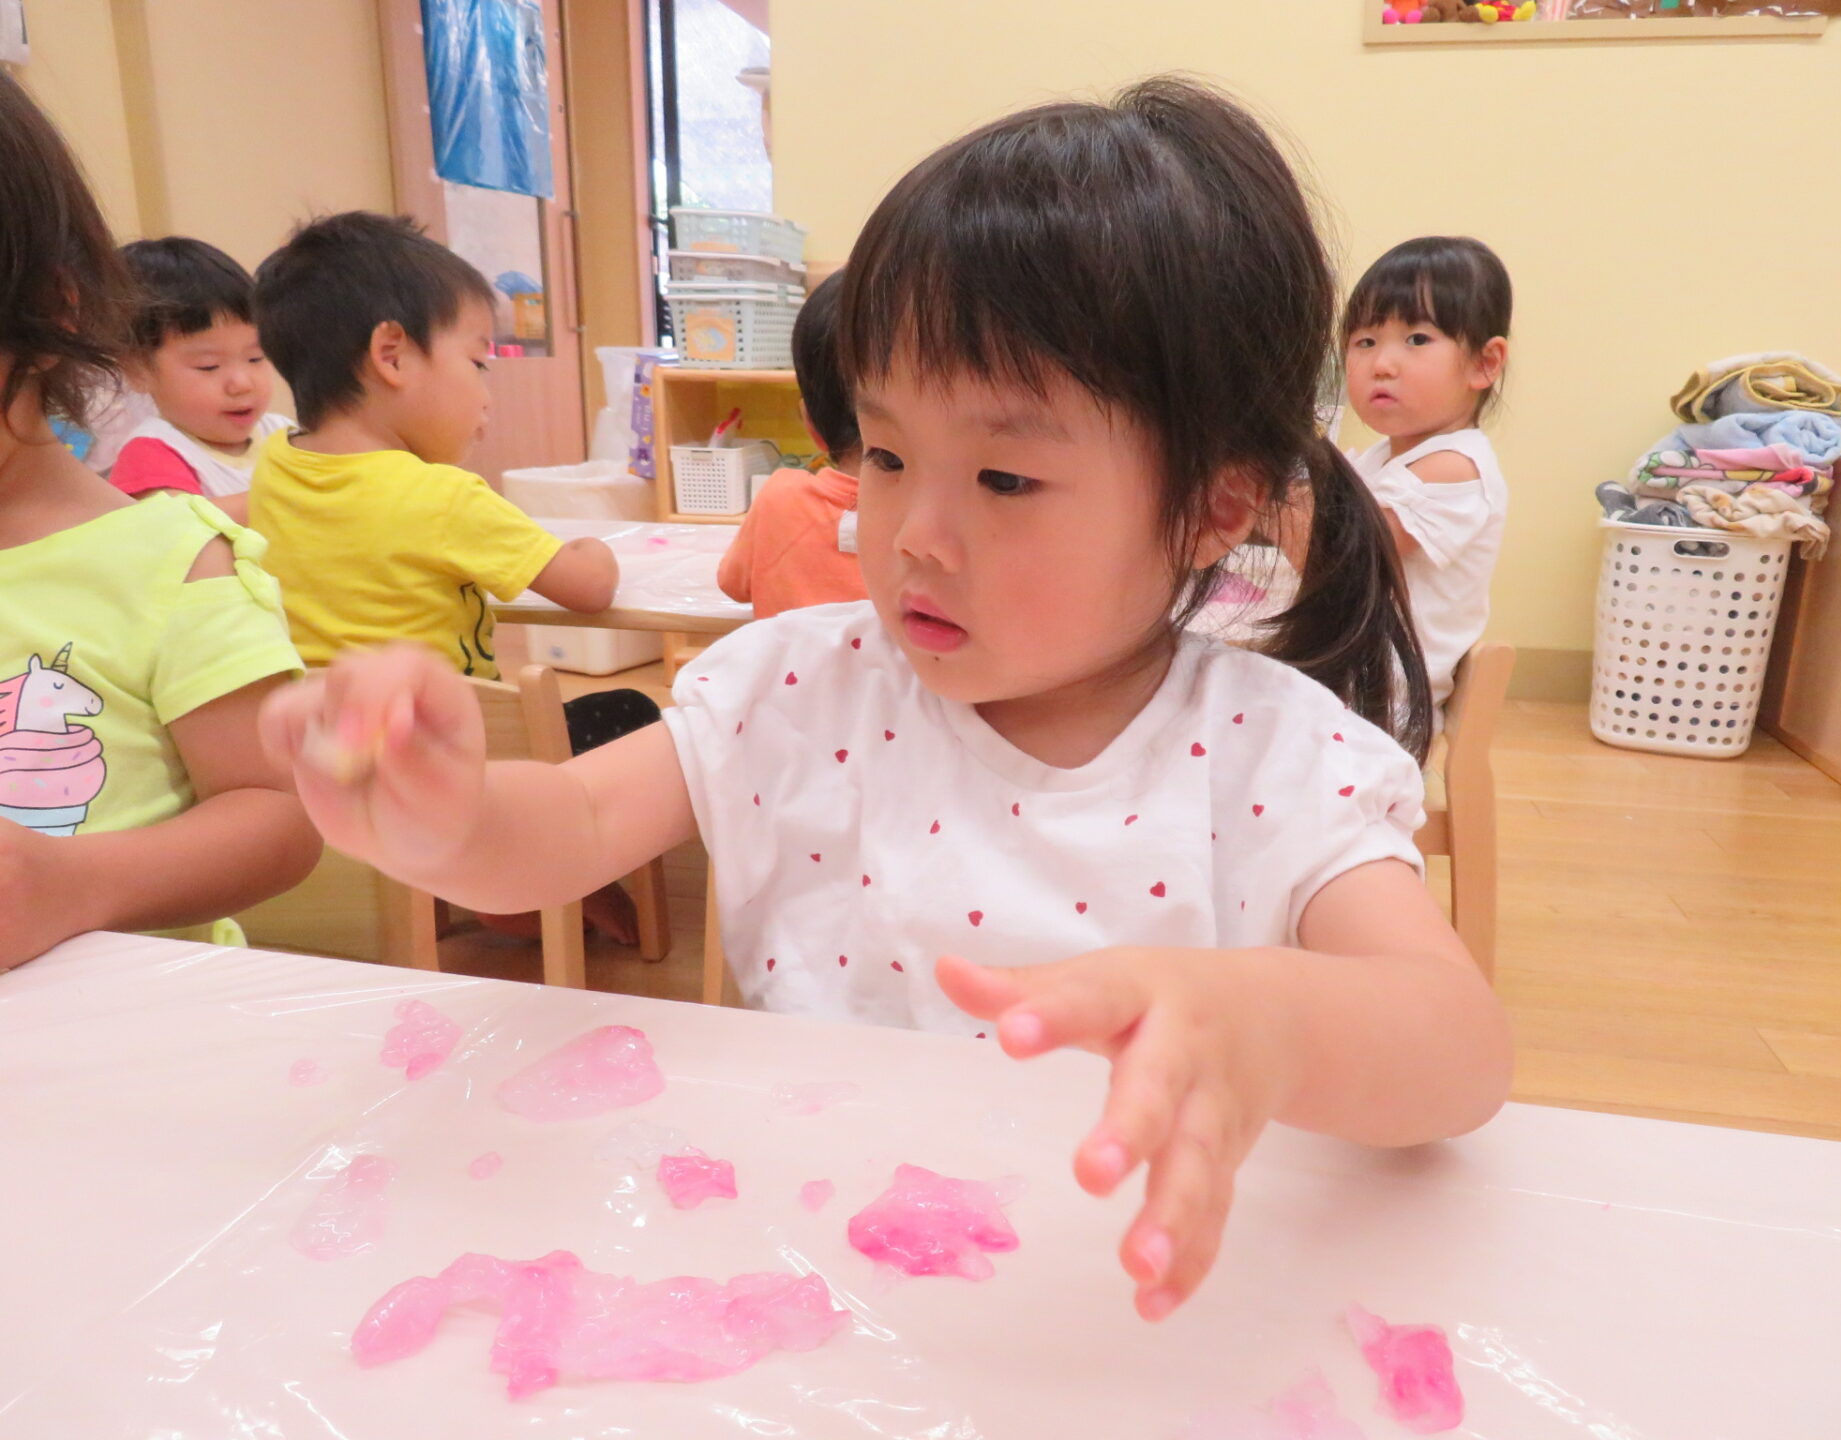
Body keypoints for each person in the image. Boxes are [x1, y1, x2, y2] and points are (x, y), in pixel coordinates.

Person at [262, 79, 1510, 1319]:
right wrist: (447, 814)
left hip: (1116, 1313)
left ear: (1213, 508)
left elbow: (1460, 1048)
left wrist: (1272, 1022)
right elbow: (572, 827)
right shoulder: (797, 690)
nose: (911, 532)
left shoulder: (1268, 757)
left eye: (1005, 478)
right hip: (810, 1283)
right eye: (890, 455)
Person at [249, 211, 649, 943]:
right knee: (631, 710)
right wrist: (599, 546)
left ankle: (438, 894)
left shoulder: (275, 467)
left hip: (331, 748)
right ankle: (565, 886)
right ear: (392, 356)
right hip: (454, 752)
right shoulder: (442, 495)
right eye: (477, 362)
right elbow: (589, 588)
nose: (486, 394)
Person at [0, 71, 319, 969]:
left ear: (47, 314)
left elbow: (282, 815)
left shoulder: (171, 559)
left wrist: (74, 884)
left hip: (132, 1023)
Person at [1343, 236, 1511, 715]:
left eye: (1417, 339)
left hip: (1381, 707)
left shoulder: (1455, 467)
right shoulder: (1382, 457)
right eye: (1365, 342)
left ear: (1484, 363)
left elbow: (1346, 553)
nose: (1382, 365)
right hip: (1348, 680)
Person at [108, 237, 294, 522]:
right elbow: (177, 524)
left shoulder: (283, 433)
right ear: (139, 371)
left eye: (255, 358)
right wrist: (291, 499)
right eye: (209, 366)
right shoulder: (153, 451)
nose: (242, 383)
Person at [717, 271, 868, 617]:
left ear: (810, 423)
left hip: (786, 656)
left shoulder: (779, 498)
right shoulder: (941, 517)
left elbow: (732, 582)